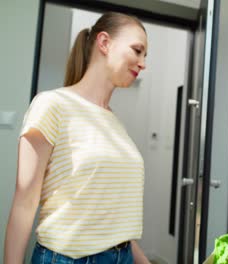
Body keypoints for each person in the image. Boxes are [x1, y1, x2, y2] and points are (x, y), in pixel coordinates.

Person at [4, 12, 151, 264]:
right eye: (137, 50)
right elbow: (24, 203)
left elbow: (110, 216)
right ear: (104, 43)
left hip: (122, 257)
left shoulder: (115, 123)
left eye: (145, 55)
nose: (143, 63)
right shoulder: (53, 105)